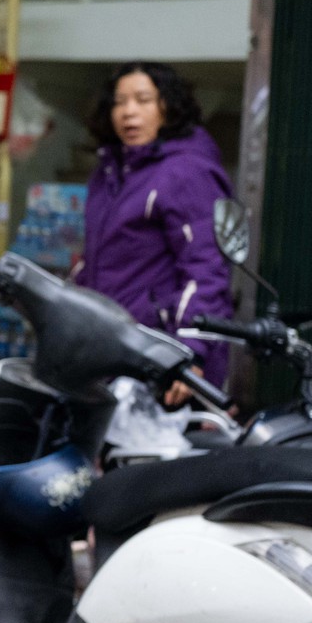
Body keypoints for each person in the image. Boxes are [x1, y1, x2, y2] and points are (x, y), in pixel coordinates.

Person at [78, 60, 234, 399]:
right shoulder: (108, 174)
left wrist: (190, 350)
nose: (128, 112)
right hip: (111, 352)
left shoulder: (186, 172)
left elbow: (207, 269)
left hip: (161, 360)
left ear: (169, 107)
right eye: (119, 102)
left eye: (143, 99)